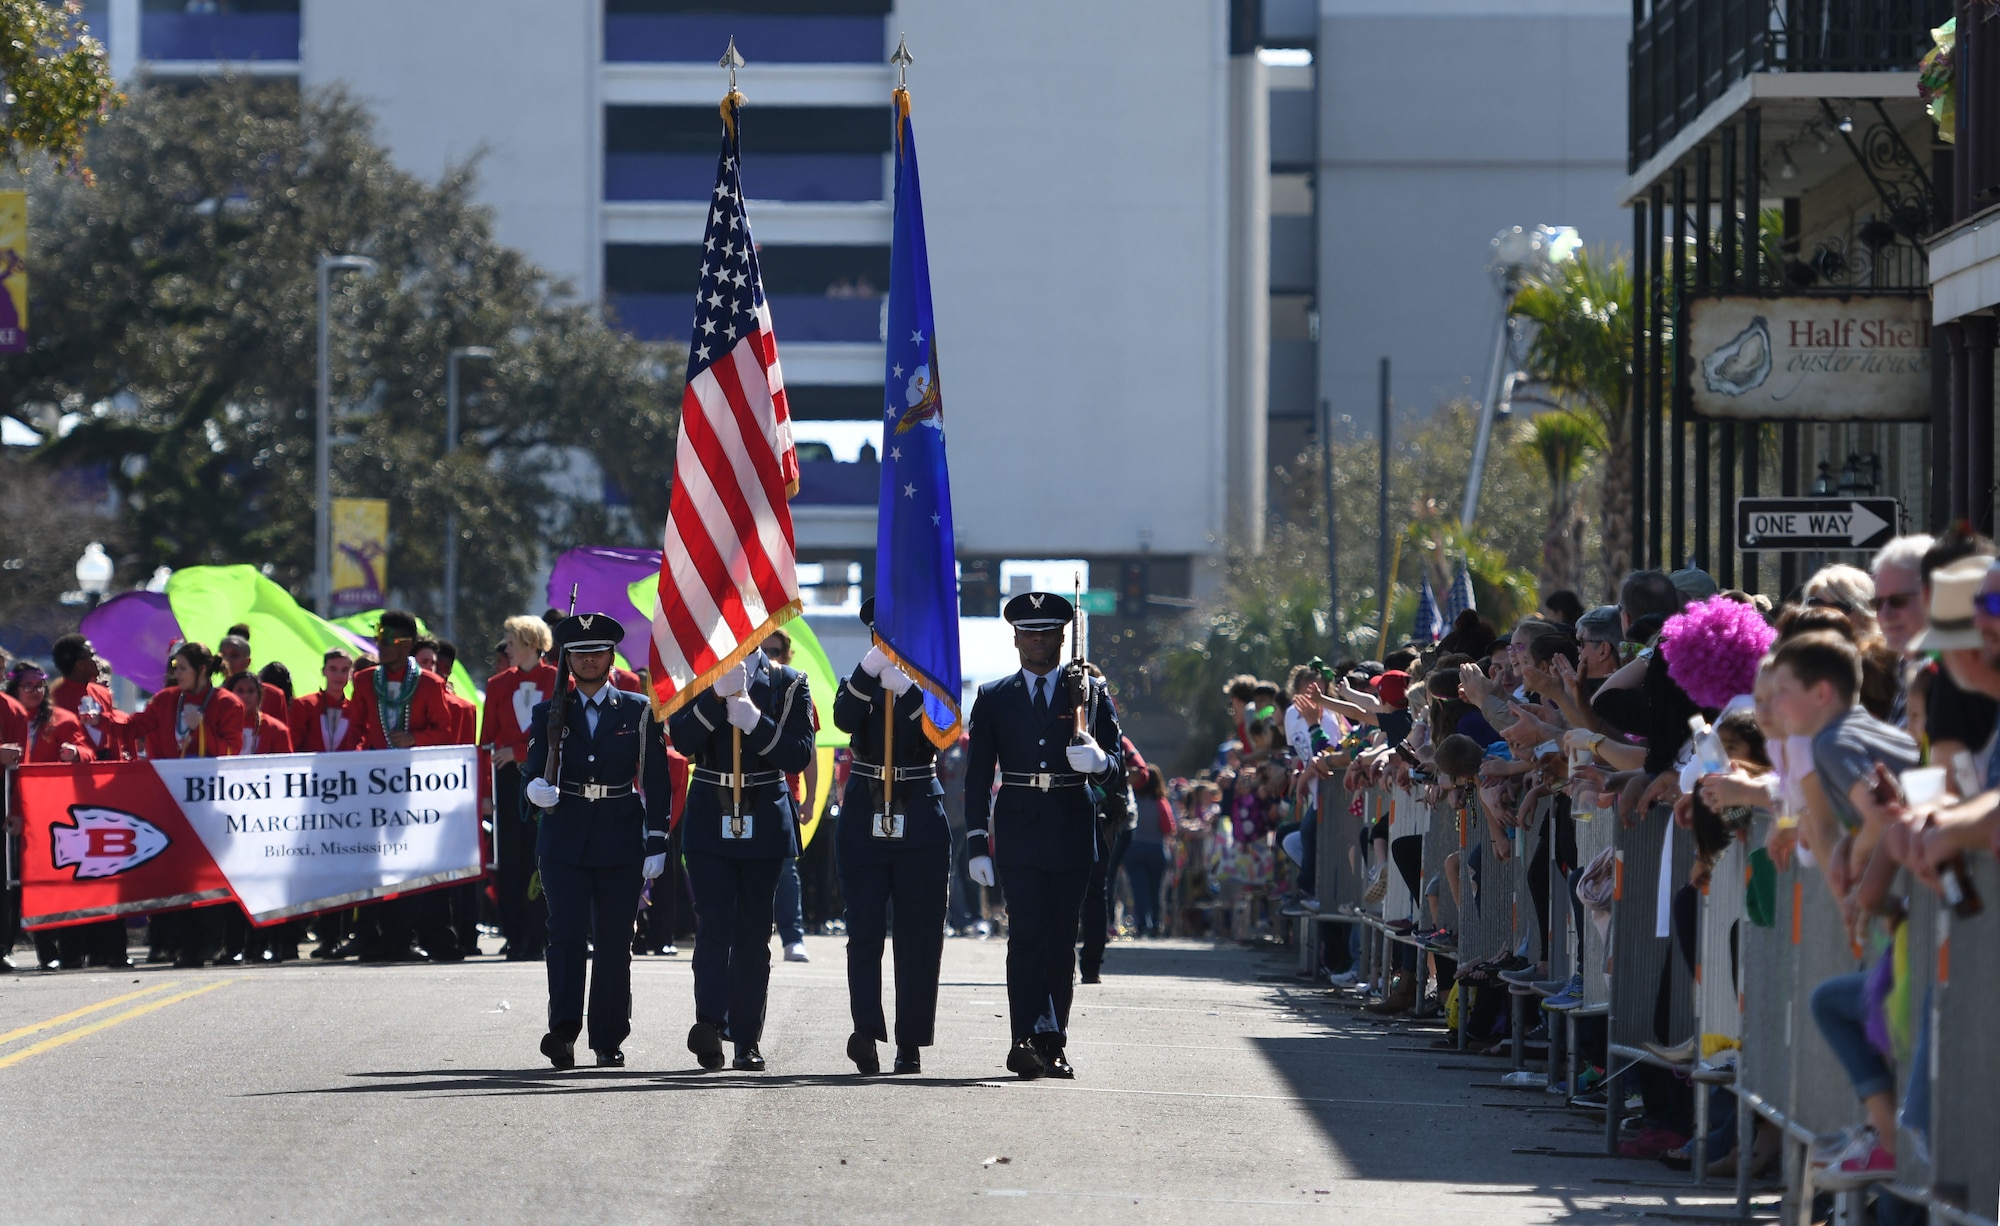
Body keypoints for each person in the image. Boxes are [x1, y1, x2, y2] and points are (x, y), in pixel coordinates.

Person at [963, 591, 1124, 1080]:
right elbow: (977, 774)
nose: (1038, 641)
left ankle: (1053, 1043)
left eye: (1048, 632)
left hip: (1072, 825)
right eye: (1029, 632)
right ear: (1015, 638)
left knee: (1060, 941)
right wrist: (975, 841)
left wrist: (1098, 763)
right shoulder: (994, 696)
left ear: (1062, 636)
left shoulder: (1090, 695)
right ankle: (1025, 1038)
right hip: (1017, 828)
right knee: (1026, 936)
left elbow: (1118, 770)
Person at [520, 612, 673, 1070]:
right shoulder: (548, 712)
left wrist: (658, 838)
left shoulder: (637, 709)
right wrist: (533, 790)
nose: (589, 660)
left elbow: (658, 779)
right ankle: (563, 1032)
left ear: (611, 657)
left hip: (618, 835)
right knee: (564, 936)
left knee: (612, 941)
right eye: (580, 653)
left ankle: (608, 1037)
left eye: (597, 651)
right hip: (564, 836)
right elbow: (531, 769)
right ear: (567, 660)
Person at [666, 632, 815, 1073]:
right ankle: (710, 1027)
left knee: (753, 934)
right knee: (713, 925)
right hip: (711, 813)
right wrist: (714, 696)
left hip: (764, 814)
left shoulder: (789, 682)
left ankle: (747, 1039)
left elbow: (798, 753)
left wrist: (755, 722)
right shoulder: (697, 677)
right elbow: (684, 739)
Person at [831, 598, 950, 1075]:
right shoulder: (859, 680)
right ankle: (866, 1031)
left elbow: (942, 734)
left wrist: (912, 694)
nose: (889, 644)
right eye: (882, 636)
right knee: (863, 932)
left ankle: (910, 1041)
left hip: (918, 806)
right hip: (864, 810)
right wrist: (871, 671)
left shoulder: (932, 688)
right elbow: (843, 718)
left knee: (918, 934)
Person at [483, 615, 558, 961]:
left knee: (544, 858)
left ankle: (541, 934)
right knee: (511, 861)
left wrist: (518, 750)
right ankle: (514, 935)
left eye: (512, 641)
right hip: (508, 782)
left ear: (530, 642)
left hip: (547, 779)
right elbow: (486, 743)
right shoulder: (497, 684)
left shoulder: (559, 680)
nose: (507, 648)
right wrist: (485, 793)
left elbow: (560, 732)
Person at [761, 626, 815, 963]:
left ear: (787, 655)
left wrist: (808, 799)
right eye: (764, 649)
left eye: (776, 650)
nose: (770, 656)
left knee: (785, 868)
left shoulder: (793, 689)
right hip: (741, 792)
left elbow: (807, 753)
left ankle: (792, 938)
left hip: (784, 793)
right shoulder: (743, 686)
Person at [342, 611, 455, 752]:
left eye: (387, 641)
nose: (380, 646)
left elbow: (443, 731)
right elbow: (355, 729)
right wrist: (354, 761)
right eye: (378, 639)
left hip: (414, 768)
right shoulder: (364, 680)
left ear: (406, 645)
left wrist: (413, 738)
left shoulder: (430, 684)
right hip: (374, 768)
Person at [289, 649, 355, 753]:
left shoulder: (354, 710)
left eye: (344, 670)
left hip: (344, 768)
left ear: (351, 674)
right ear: (324, 671)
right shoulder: (305, 705)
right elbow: (292, 746)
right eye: (333, 669)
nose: (339, 675)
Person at [225, 671, 292, 755]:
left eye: (251, 691)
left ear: (259, 695)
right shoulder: (219, 725)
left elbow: (286, 764)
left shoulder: (277, 729)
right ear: (230, 694)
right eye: (240, 691)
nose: (246, 695)